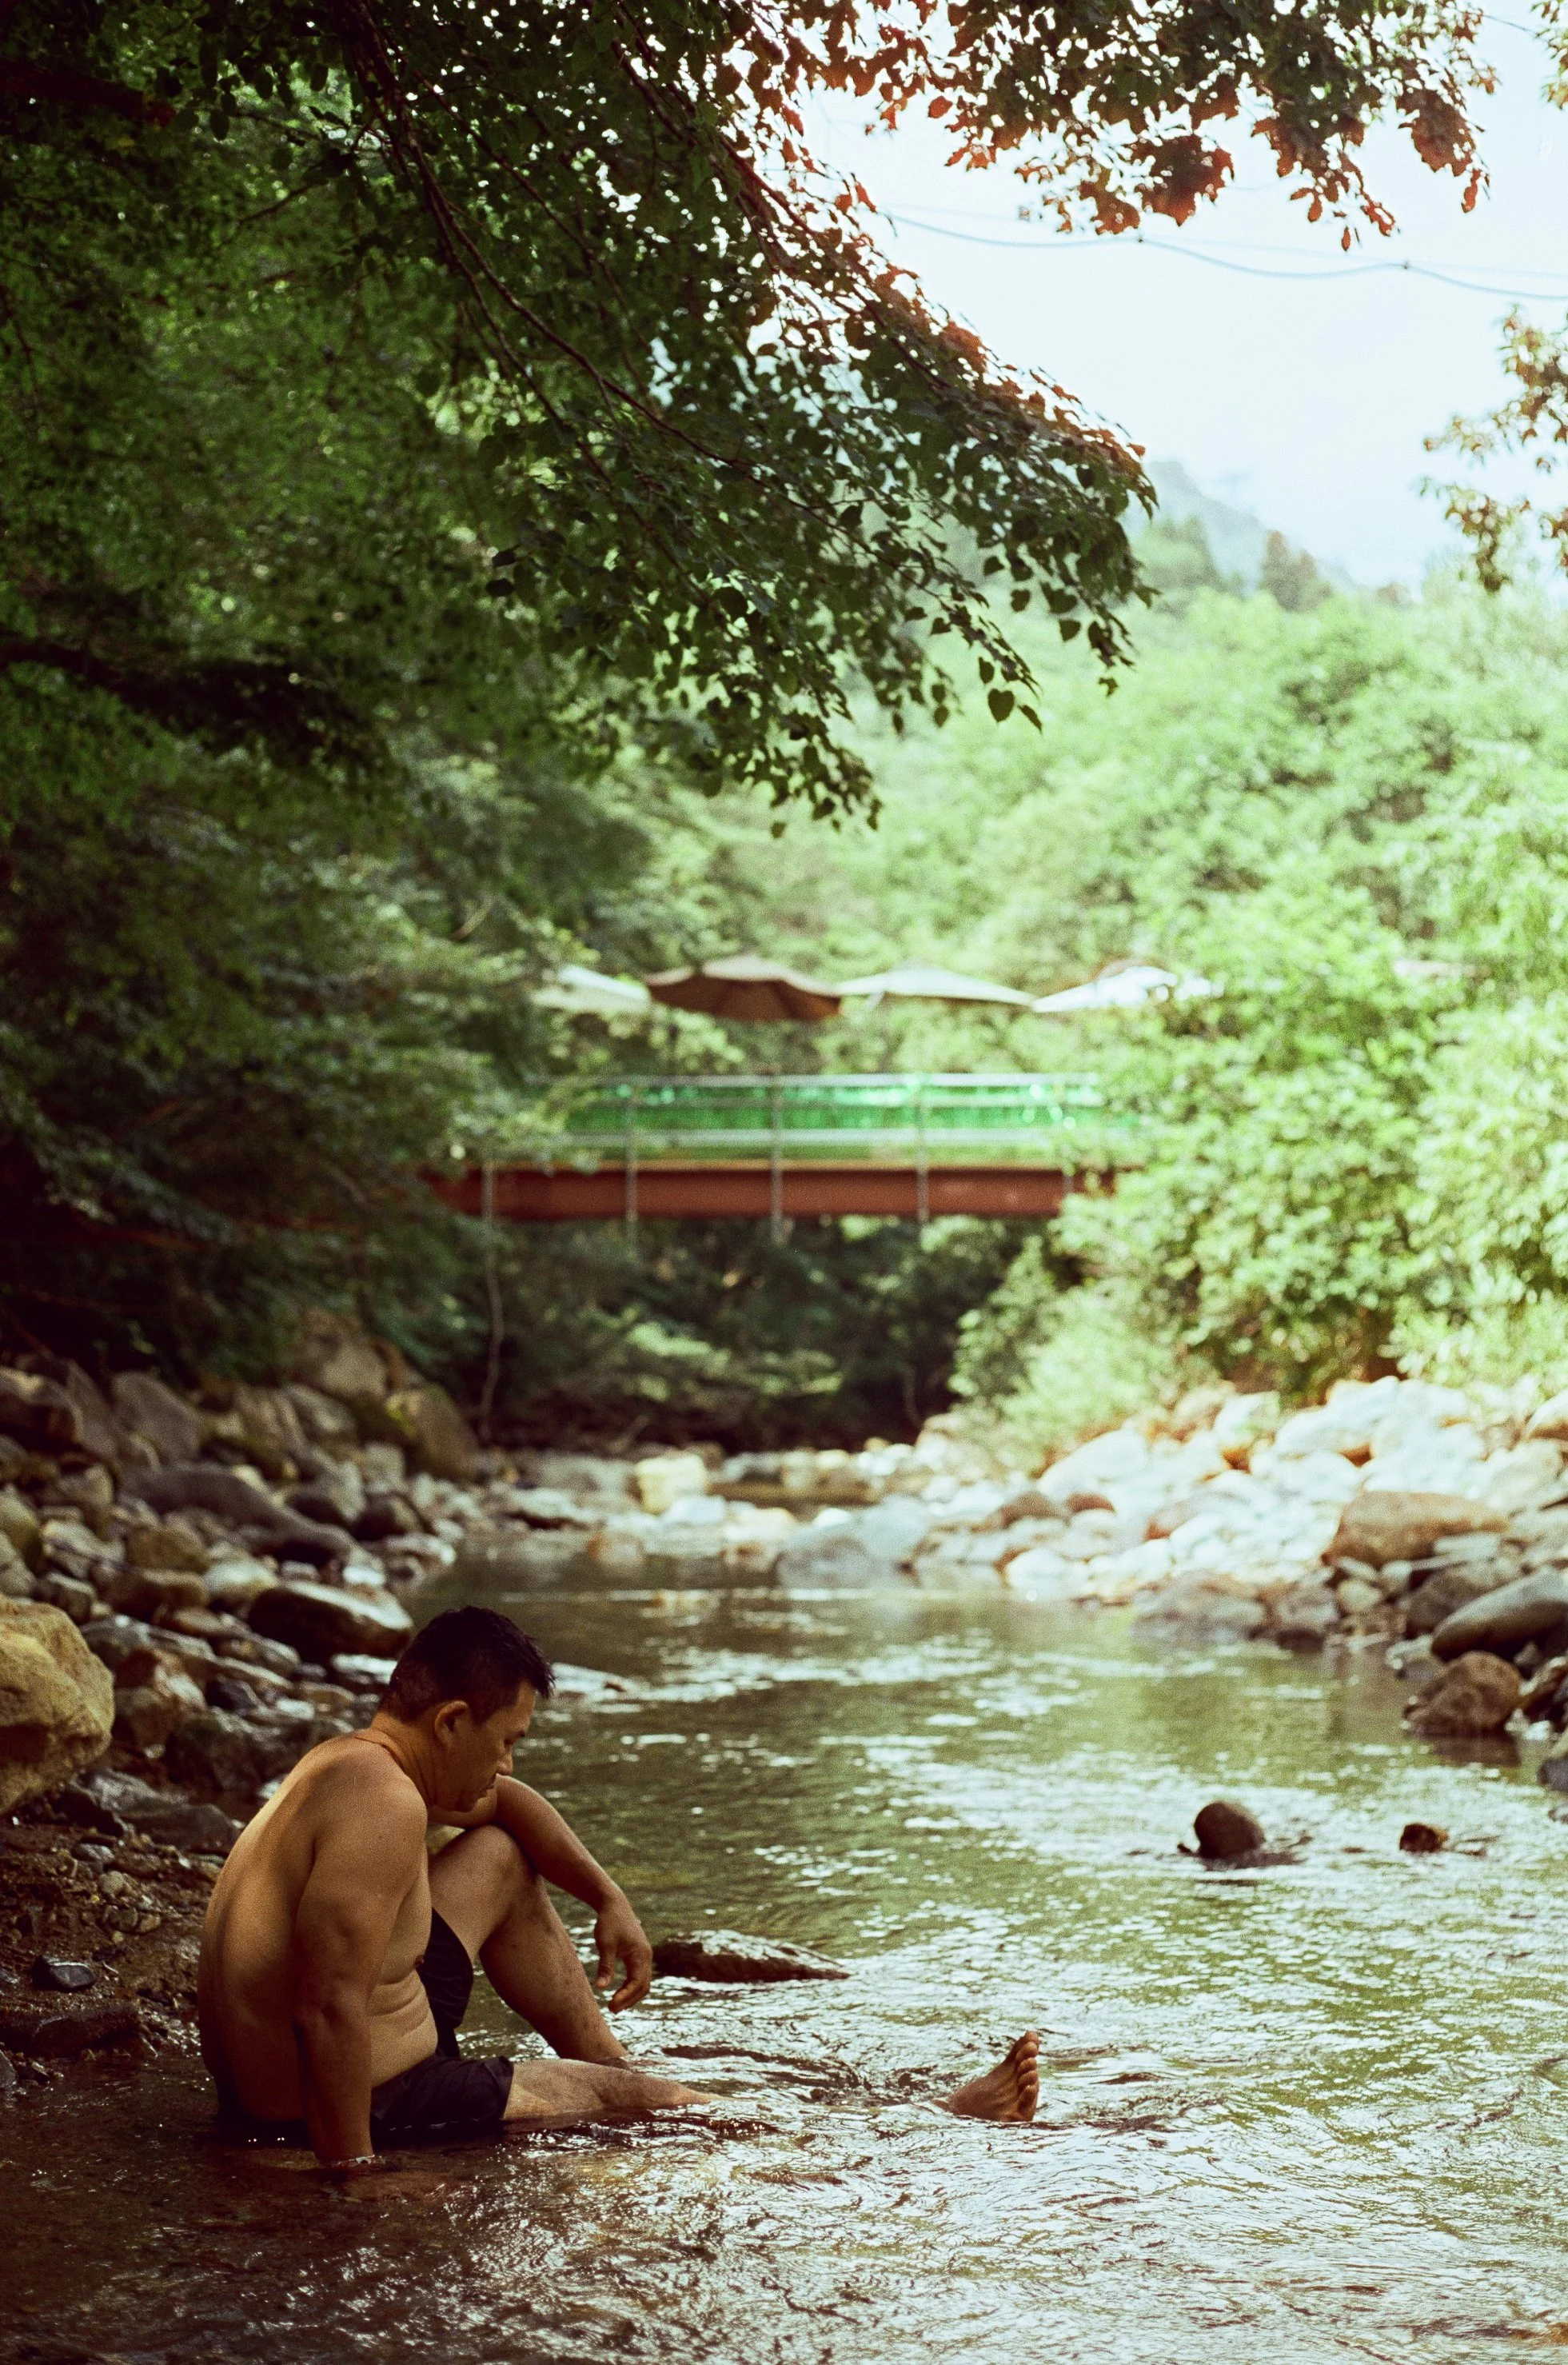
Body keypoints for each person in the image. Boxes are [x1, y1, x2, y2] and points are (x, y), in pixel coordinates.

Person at [197, 1605, 1039, 2173]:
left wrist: (608, 1897)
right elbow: (327, 2006)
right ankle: (930, 2120)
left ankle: (604, 2057)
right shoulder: (382, 1801)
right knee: (643, 2105)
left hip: (386, 2024)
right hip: (344, 2101)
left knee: (499, 1857)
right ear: (451, 1719)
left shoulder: (357, 1762)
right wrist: (353, 2178)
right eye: (503, 1738)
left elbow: (509, 1809)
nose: (506, 1762)